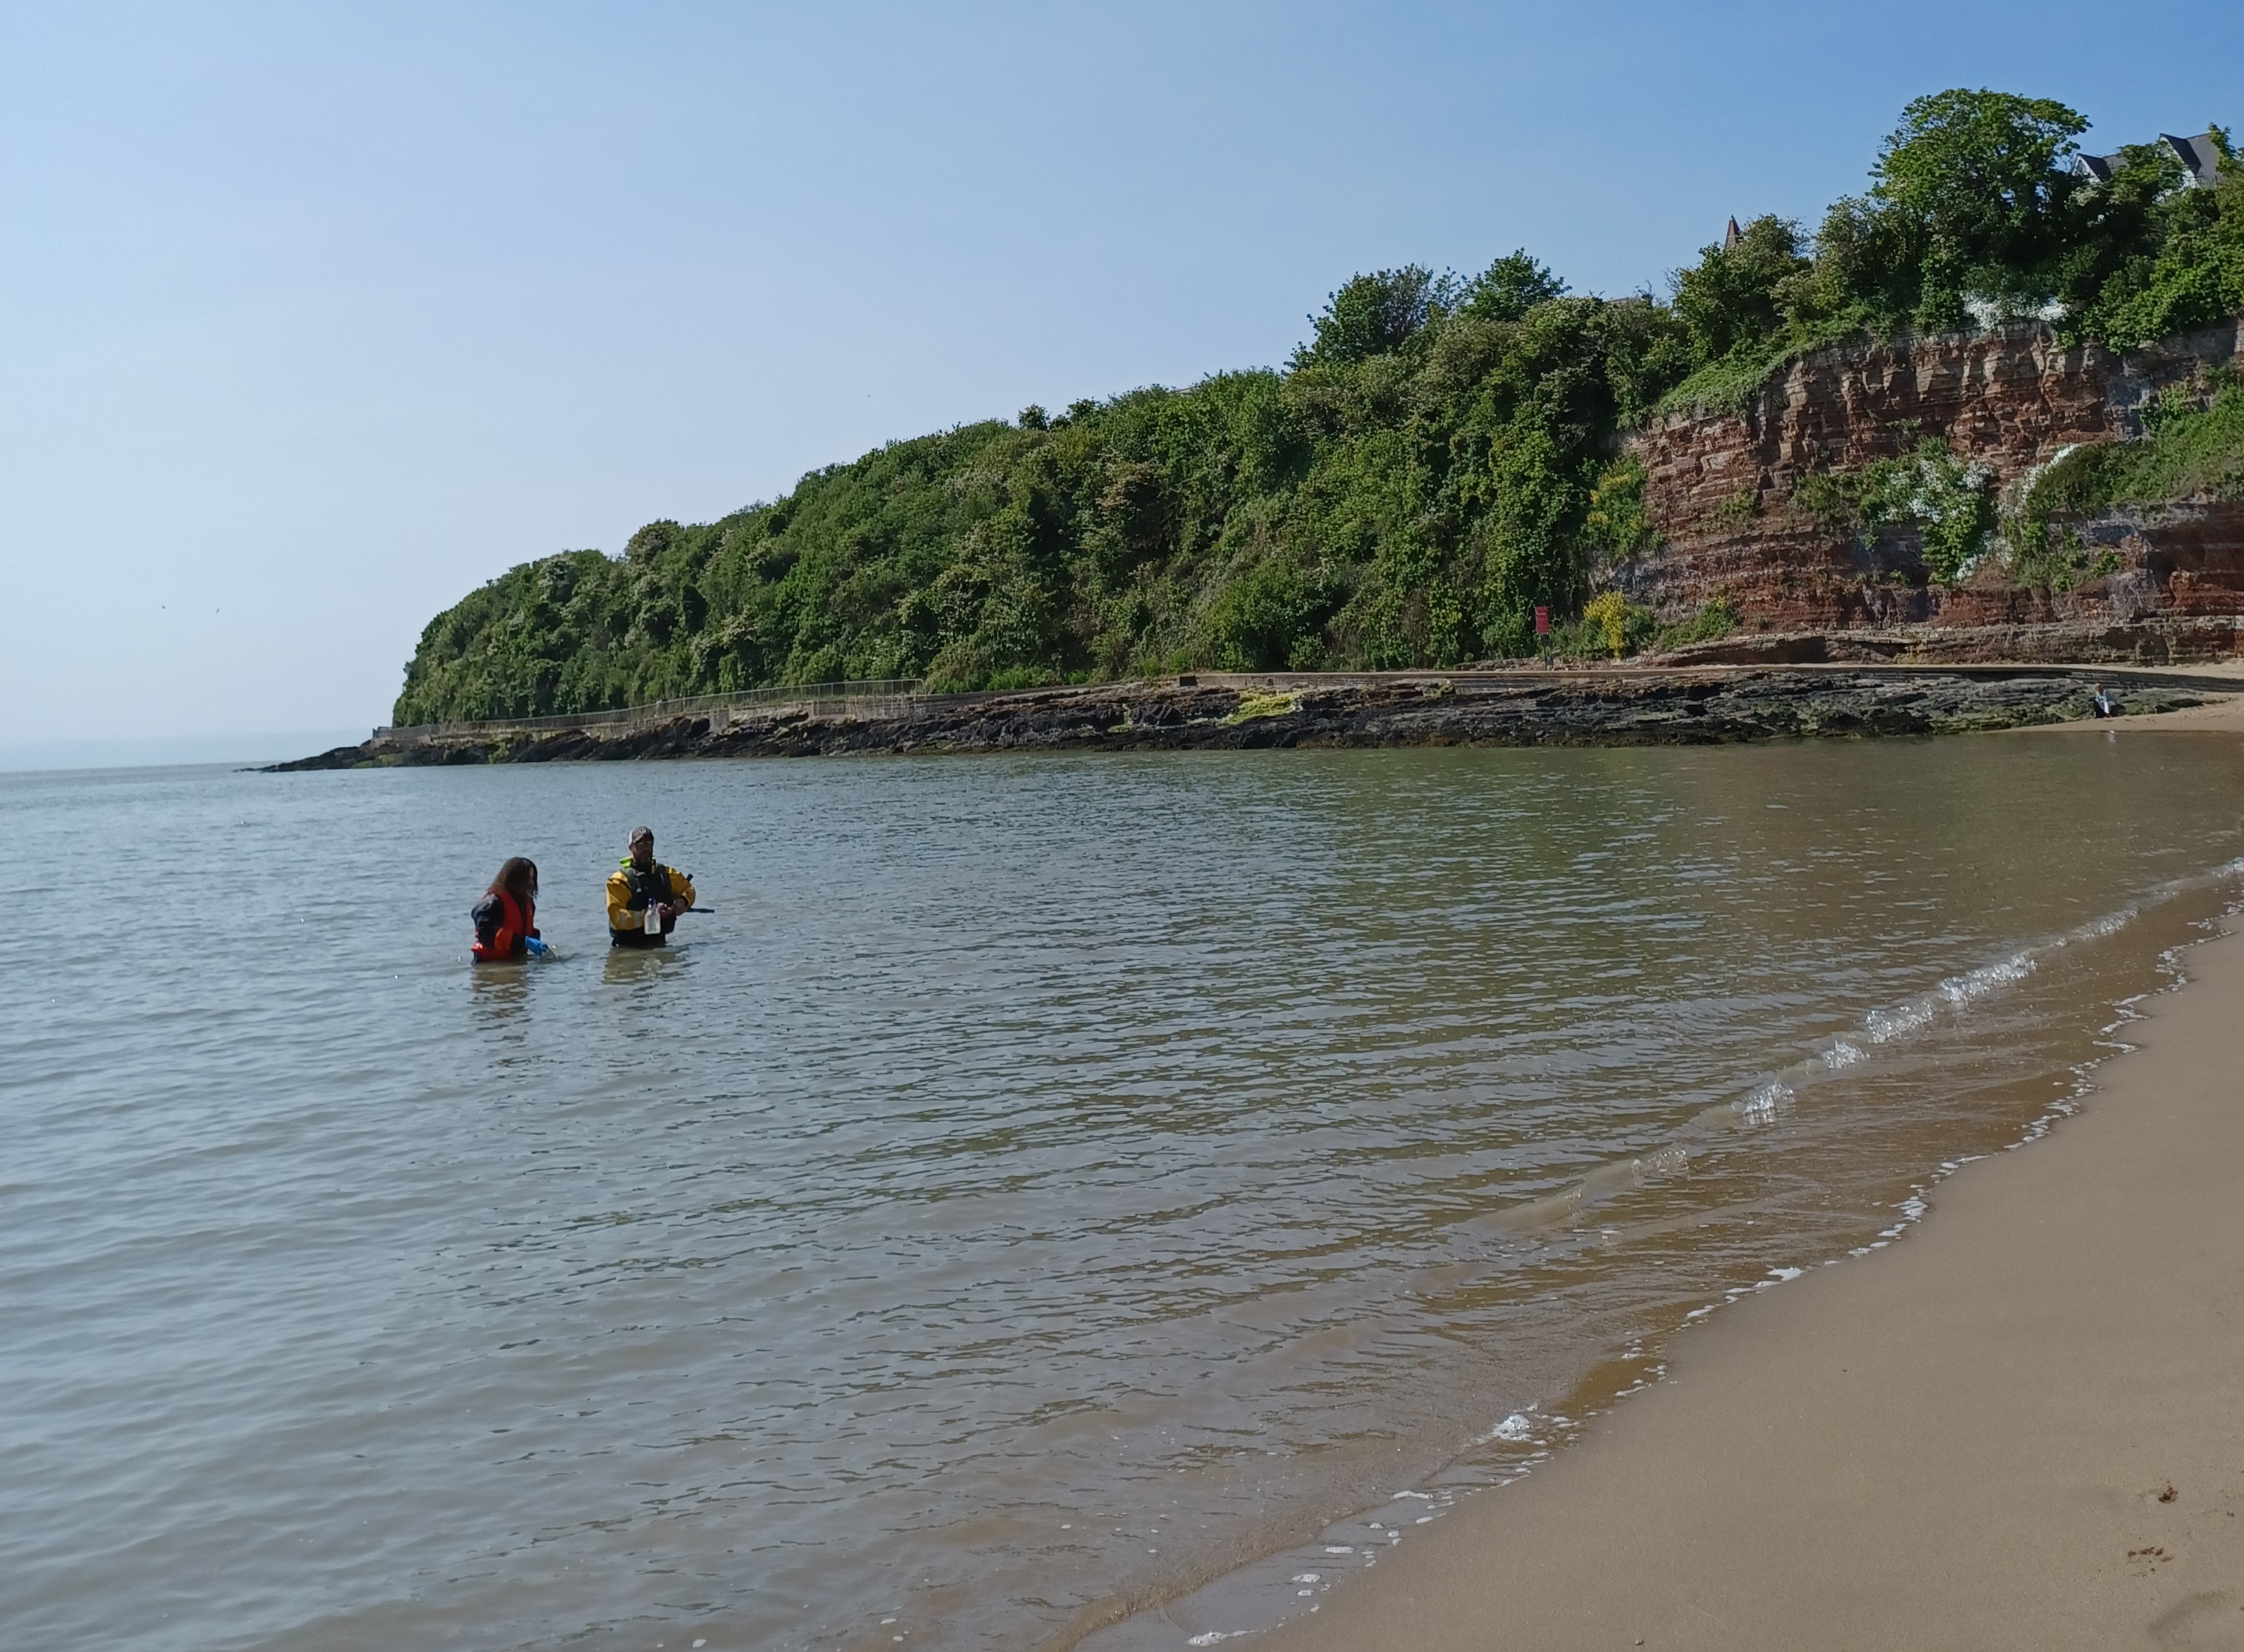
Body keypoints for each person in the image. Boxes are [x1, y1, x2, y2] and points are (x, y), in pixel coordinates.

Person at [608, 827, 696, 948]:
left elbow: (689, 889)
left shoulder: (665, 874)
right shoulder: (619, 881)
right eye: (640, 845)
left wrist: (682, 902)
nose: (645, 848)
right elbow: (617, 918)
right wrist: (650, 915)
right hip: (627, 949)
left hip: (660, 944)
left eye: (649, 844)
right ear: (631, 848)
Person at [471, 857, 547, 962]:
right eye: (527, 879)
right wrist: (523, 941)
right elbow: (486, 935)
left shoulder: (527, 903)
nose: (531, 883)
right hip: (489, 964)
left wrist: (535, 938)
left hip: (516, 961)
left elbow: (524, 929)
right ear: (515, 880)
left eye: (532, 879)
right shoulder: (493, 903)